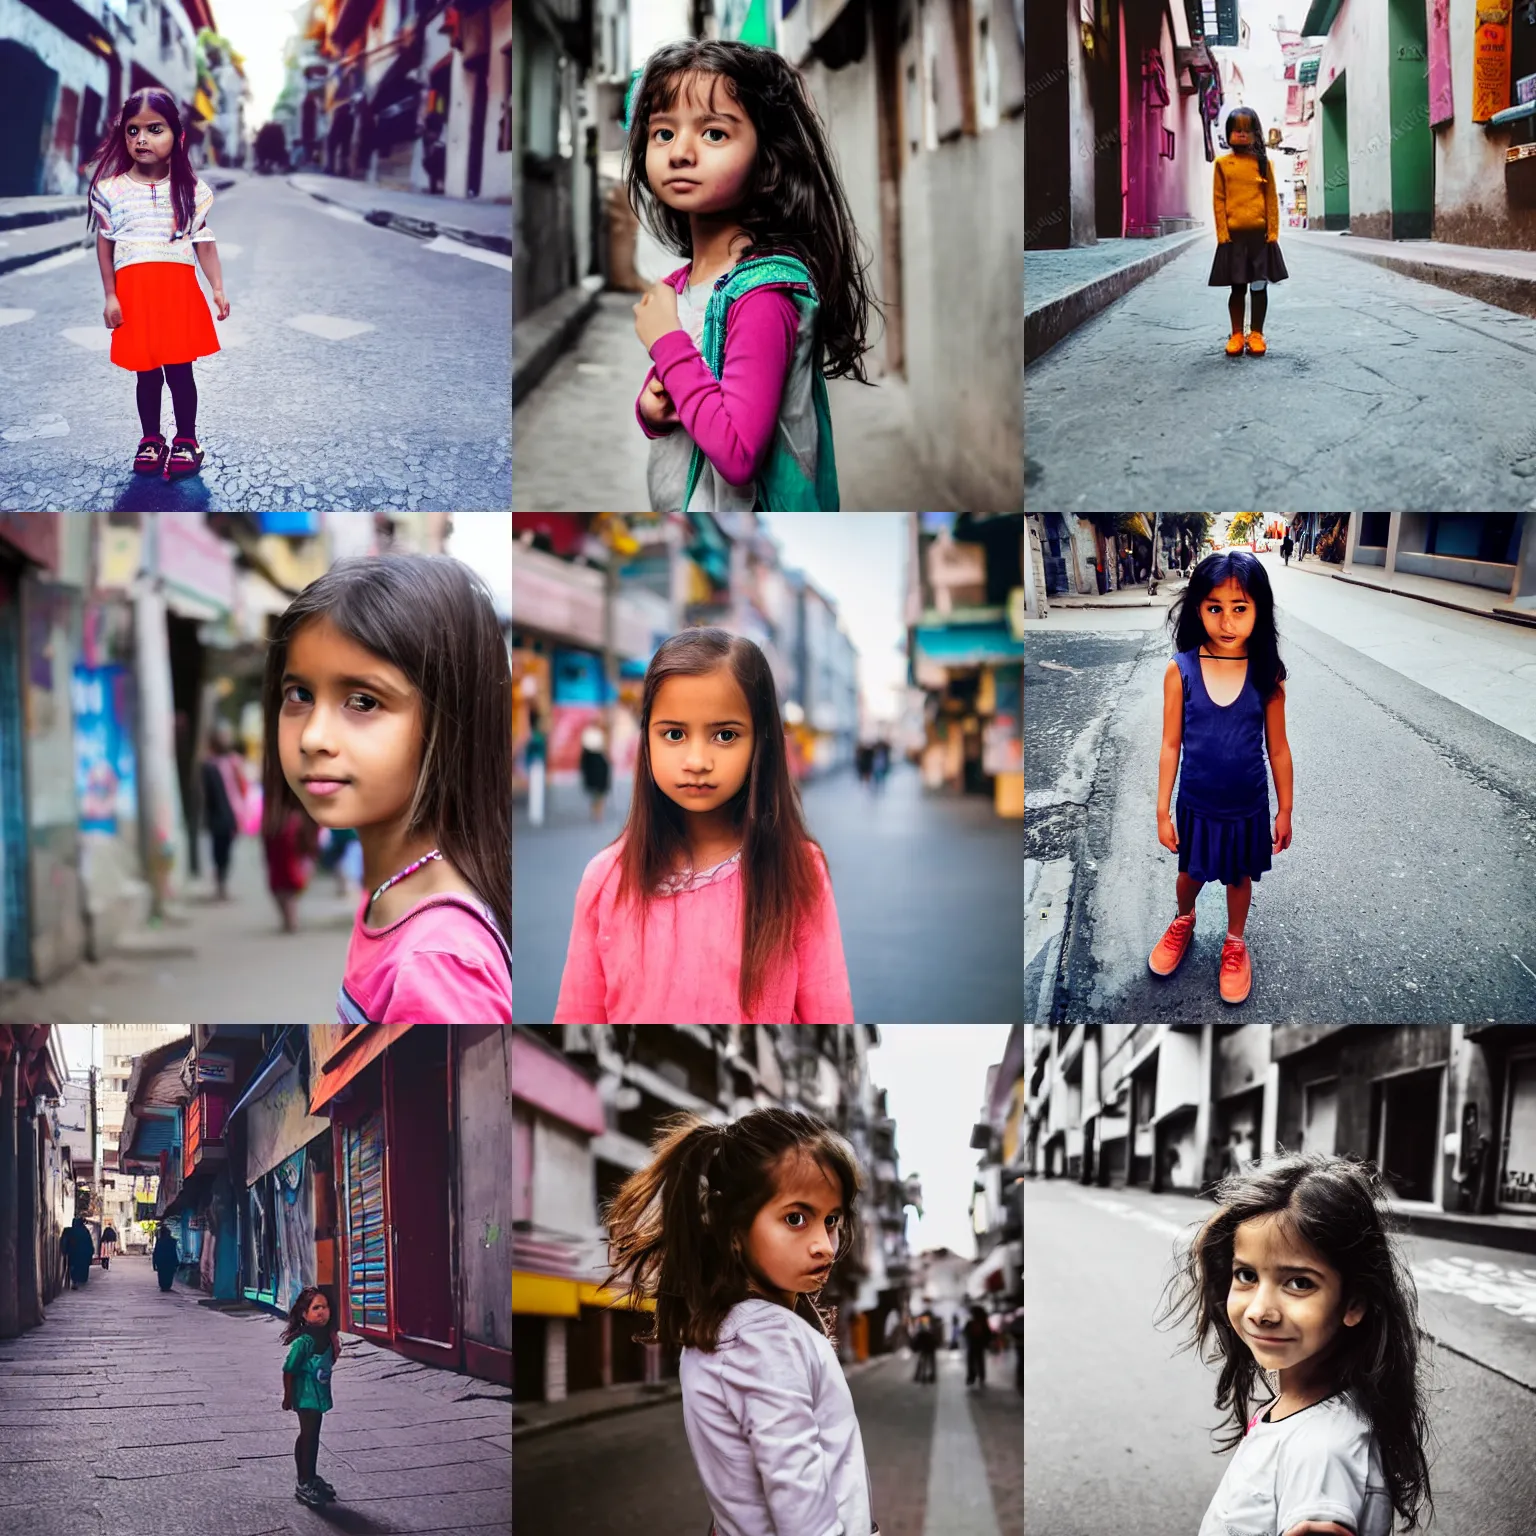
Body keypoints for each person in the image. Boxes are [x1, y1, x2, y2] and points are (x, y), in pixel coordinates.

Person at [600, 1107, 880, 1536]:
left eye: (832, 1220)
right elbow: (802, 1514)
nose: (825, 1245)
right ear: (734, 1228)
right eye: (795, 1218)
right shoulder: (766, 1339)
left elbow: (743, 1491)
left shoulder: (729, 1330)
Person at [553, 627, 853, 1024]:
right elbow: (577, 1019)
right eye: (674, 734)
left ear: (760, 743)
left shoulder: (798, 870)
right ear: (647, 740)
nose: (697, 760)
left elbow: (829, 1015)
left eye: (725, 735)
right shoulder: (606, 879)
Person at [262, 553, 512, 1024]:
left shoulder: (436, 965)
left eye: (363, 701)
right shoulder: (394, 894)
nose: (314, 737)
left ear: (451, 719)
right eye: (299, 694)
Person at [626, 39, 870, 512]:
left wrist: (667, 342)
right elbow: (690, 405)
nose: (681, 153)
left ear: (767, 161)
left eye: (714, 134)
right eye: (663, 133)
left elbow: (738, 454)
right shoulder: (682, 287)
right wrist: (651, 410)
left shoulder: (761, 296)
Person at [1158, 1151, 1432, 1536]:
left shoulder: (1320, 1454)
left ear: (1353, 1302)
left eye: (1299, 1283)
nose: (1260, 1310)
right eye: (1247, 1275)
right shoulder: (1303, 1402)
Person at [1149, 552, 1293, 1006]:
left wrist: (1284, 809)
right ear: (1198, 609)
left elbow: (1279, 748)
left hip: (1246, 807)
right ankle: (1183, 919)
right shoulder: (1181, 670)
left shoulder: (1266, 673)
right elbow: (1170, 745)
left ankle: (1234, 942)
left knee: (1237, 878)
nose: (1227, 621)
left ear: (1258, 611)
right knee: (1189, 874)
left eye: (1240, 608)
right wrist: (1162, 811)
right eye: (1215, 608)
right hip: (1196, 804)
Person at [85, 87, 229, 481]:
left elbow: (203, 241)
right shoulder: (112, 190)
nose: (142, 139)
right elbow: (106, 244)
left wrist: (216, 287)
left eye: (154, 129)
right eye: (132, 131)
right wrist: (111, 295)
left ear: (177, 136)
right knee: (146, 373)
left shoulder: (191, 191)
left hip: (177, 293)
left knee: (180, 371)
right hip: (135, 296)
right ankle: (151, 438)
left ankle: (187, 440)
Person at [1210, 106, 1289, 359]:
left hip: (1260, 238)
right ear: (1229, 133)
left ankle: (1256, 333)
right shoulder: (1223, 165)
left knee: (1258, 286)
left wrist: (1273, 233)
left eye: (1247, 130)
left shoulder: (1263, 165)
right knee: (1237, 288)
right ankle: (1236, 334)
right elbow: (1219, 200)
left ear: (1255, 133)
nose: (1242, 135)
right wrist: (1222, 234)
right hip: (1234, 238)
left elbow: (1270, 201)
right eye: (1237, 130)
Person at [281, 1287, 343, 1507]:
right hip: (305, 1396)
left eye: (325, 1307)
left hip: (318, 1395)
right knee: (308, 1436)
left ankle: (311, 1476)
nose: (322, 1312)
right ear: (304, 1314)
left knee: (312, 1436)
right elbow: (289, 1370)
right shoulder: (304, 1342)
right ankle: (304, 1480)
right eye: (316, 1308)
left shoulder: (326, 1337)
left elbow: (327, 1362)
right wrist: (288, 1397)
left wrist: (335, 1344)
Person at [200, 720, 248, 901]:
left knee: (226, 850)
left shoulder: (234, 762)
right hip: (217, 814)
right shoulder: (208, 765)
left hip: (233, 813)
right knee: (218, 850)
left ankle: (223, 883)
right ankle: (220, 885)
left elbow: (241, 787)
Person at [262, 803, 319, 935]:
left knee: (284, 886)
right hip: (282, 840)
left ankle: (289, 920)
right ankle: (290, 920)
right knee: (286, 886)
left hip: (283, 842)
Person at [580, 724, 612, 821]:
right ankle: (596, 809)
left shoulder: (602, 733)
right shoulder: (589, 734)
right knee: (596, 790)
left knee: (599, 790)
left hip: (598, 762)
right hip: (593, 761)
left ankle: (598, 811)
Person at [525, 709, 548, 828]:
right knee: (535, 789)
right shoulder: (535, 736)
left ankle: (537, 815)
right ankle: (535, 815)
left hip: (538, 763)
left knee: (538, 789)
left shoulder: (540, 736)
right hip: (535, 764)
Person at [61, 1218, 95, 1289]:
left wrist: (65, 1251)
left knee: (73, 1268)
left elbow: (65, 1241)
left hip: (73, 1253)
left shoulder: (70, 1231)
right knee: (81, 1268)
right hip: (83, 1254)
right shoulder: (85, 1231)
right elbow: (89, 1243)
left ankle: (74, 1282)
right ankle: (78, 1282)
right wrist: (91, 1253)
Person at [963, 1307, 991, 1389]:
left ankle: (972, 1377)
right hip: (979, 1345)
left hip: (972, 1344)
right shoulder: (983, 1322)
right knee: (980, 1360)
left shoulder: (971, 1323)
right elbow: (988, 1334)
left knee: (971, 1360)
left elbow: (965, 1332)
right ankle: (981, 1376)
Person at [152, 1224, 179, 1291]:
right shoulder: (173, 1241)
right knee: (169, 1274)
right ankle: (167, 1286)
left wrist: (154, 1263)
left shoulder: (159, 1241)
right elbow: (175, 1252)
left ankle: (163, 1286)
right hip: (170, 1260)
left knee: (162, 1274)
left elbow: (155, 1253)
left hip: (161, 1261)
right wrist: (176, 1262)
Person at [912, 1315, 937, 1385]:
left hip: (925, 1348)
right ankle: (931, 1376)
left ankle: (920, 1376)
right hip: (930, 1348)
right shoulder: (930, 1330)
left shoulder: (921, 1332)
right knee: (929, 1362)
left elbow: (917, 1341)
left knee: (923, 1362)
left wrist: (915, 1348)